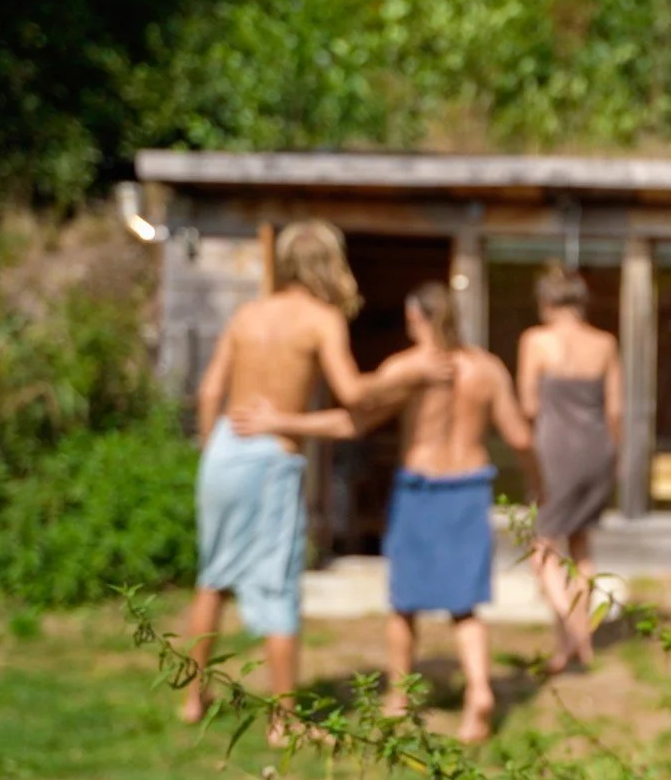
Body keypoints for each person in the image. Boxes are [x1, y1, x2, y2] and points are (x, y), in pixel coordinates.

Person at [181, 219, 450, 744]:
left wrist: (212, 446)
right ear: (329, 263)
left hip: (223, 451)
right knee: (277, 585)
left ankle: (193, 698)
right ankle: (284, 720)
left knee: (213, 576)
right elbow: (351, 392)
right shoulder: (322, 319)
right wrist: (407, 375)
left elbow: (210, 391)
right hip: (270, 457)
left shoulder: (247, 314)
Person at [235, 282, 533, 744]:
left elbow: (349, 421)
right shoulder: (488, 369)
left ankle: (398, 696)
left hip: (422, 488)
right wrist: (539, 483)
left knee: (404, 601)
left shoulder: (407, 370)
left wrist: (280, 423)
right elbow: (518, 437)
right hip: (470, 487)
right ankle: (478, 691)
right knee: (464, 605)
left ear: (417, 318)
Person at [516, 262, 621, 675]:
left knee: (541, 547)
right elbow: (615, 410)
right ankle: (577, 645)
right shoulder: (605, 343)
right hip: (597, 449)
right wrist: (614, 458)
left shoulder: (536, 341)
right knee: (581, 546)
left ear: (546, 302)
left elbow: (527, 405)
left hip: (554, 451)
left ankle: (573, 632)